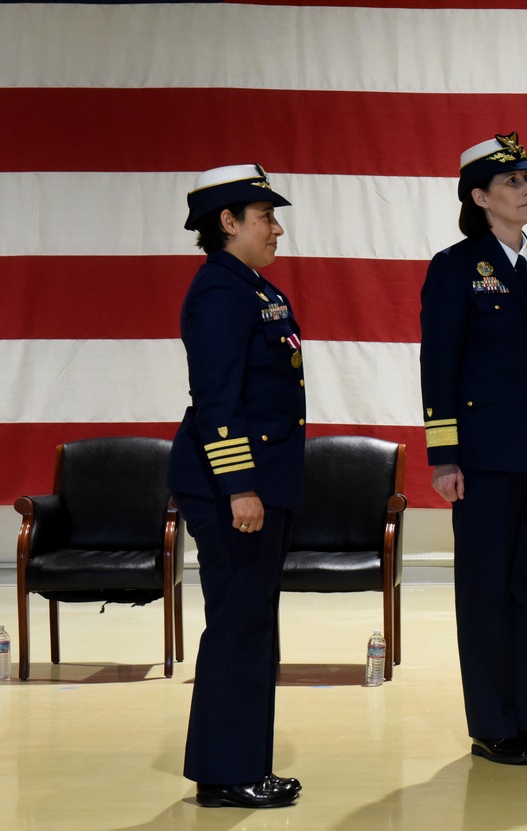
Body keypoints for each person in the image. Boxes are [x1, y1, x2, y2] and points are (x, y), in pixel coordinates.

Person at [419, 132, 527, 765]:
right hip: (484, 457)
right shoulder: (455, 267)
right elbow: (441, 365)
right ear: (480, 196)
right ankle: (492, 724)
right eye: (513, 182)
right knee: (486, 591)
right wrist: (444, 456)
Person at [167, 164, 305, 809]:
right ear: (228, 223)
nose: (276, 229)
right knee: (237, 627)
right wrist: (240, 485)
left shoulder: (250, 287)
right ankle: (226, 773)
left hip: (258, 482)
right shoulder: (222, 290)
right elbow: (216, 399)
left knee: (252, 624)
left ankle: (244, 763)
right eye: (264, 218)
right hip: (234, 487)